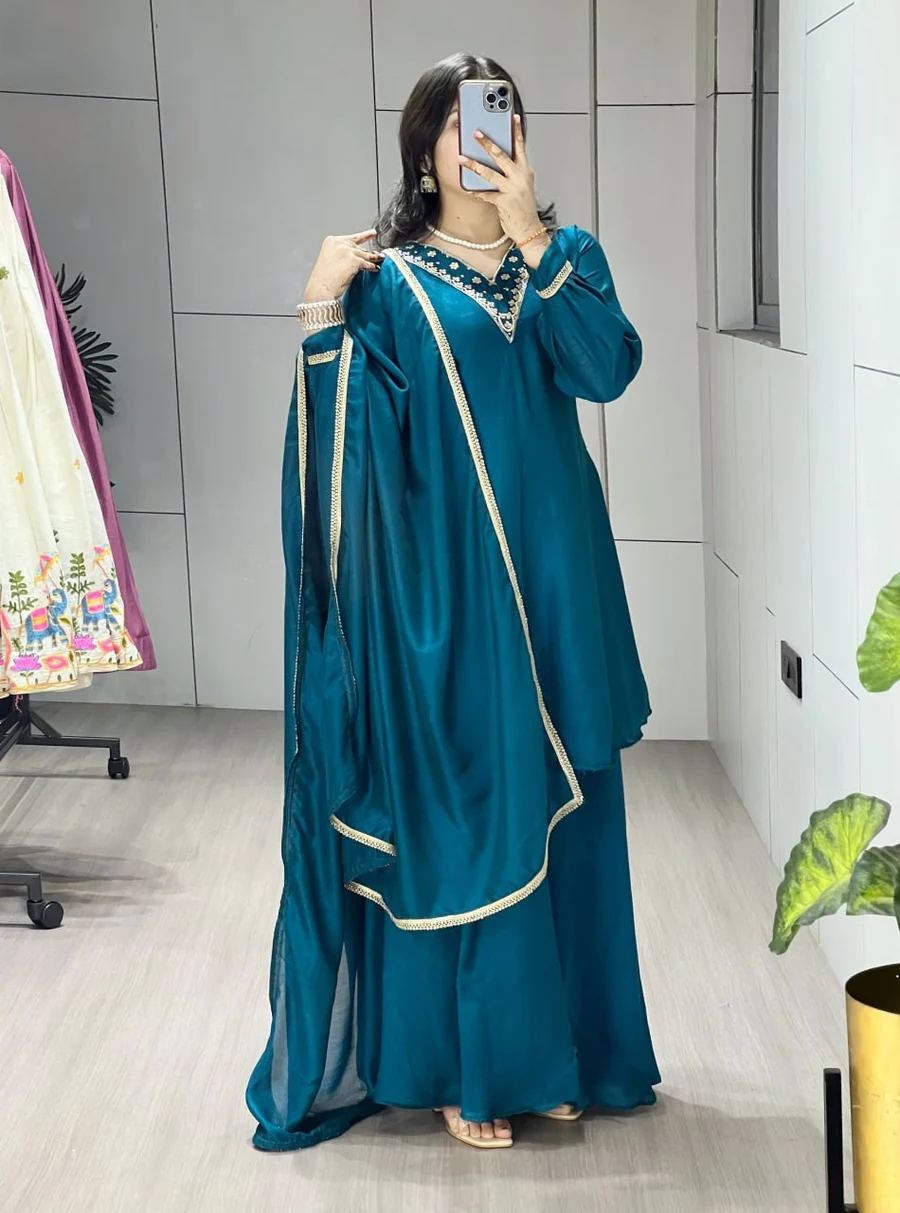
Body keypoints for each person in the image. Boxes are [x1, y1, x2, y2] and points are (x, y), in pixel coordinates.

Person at [247, 52, 660, 1152]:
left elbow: (606, 370)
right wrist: (321, 306)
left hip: (559, 578)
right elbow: (347, 457)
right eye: (468, 122)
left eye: (507, 118)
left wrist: (533, 236)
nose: (490, 138)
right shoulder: (389, 284)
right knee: (470, 809)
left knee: (572, 804)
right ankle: (463, 1065)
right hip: (447, 599)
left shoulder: (565, 258)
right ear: (425, 152)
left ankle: (565, 1053)